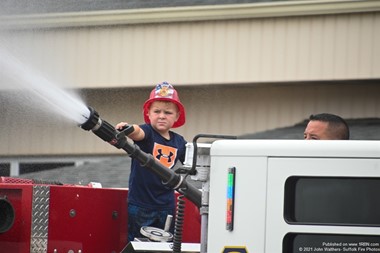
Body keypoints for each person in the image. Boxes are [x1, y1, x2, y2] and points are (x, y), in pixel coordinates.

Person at [115, 81, 187, 242]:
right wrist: (127, 128)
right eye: (157, 111)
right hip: (141, 204)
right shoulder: (148, 133)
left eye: (168, 113)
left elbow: (192, 161)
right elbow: (137, 132)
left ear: (176, 116)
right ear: (148, 114)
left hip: (167, 205)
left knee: (165, 246)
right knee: (139, 244)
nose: (162, 115)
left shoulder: (179, 142)